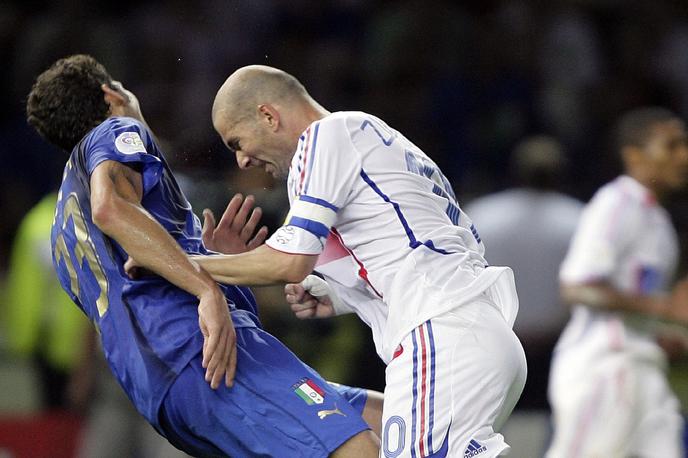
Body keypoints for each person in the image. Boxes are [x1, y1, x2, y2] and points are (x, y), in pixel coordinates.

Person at [26, 54, 381, 458]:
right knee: (357, 448)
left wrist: (221, 265)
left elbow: (138, 288)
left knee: (387, 419)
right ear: (111, 95)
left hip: (163, 387)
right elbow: (112, 209)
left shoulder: (62, 225)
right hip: (194, 354)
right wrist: (206, 286)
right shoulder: (116, 129)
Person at [191, 65, 527, 457]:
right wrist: (338, 293)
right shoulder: (374, 141)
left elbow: (290, 260)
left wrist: (182, 265)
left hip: (441, 333)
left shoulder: (327, 135)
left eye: (236, 142)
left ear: (268, 115)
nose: (242, 161)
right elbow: (411, 244)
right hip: (474, 334)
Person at [546, 107, 688, 458]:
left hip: (645, 367)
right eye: (671, 146)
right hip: (604, 367)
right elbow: (577, 285)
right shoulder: (616, 202)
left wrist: (667, 329)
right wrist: (664, 306)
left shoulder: (658, 221)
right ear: (635, 155)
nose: (683, 155)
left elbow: (637, 302)